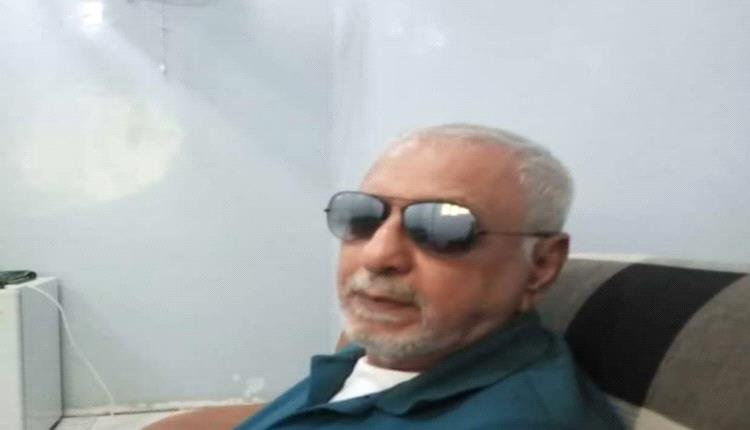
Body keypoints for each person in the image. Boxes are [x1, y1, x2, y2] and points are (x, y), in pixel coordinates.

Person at [235, 124, 623, 429]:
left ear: (541, 265)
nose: (377, 254)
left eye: (443, 227)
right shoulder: (399, 352)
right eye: (362, 216)